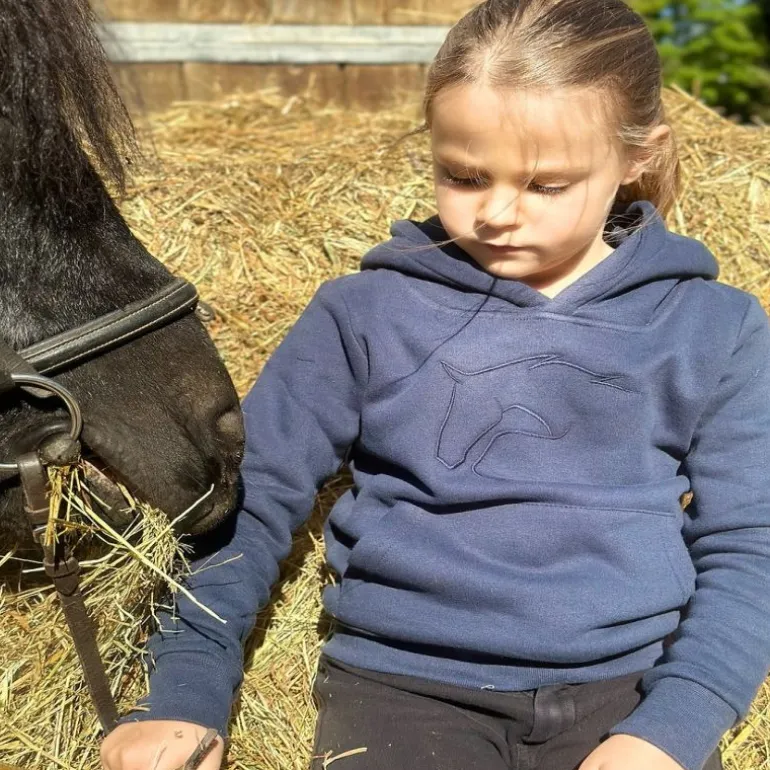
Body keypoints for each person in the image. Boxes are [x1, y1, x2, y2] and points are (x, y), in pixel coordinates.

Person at [100, 1, 770, 768]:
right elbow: (248, 502)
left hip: (630, 692)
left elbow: (750, 543)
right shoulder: (365, 313)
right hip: (402, 692)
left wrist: (669, 733)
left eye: (548, 185)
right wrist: (183, 691)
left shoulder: (713, 328)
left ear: (636, 158)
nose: (496, 214)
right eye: (464, 174)